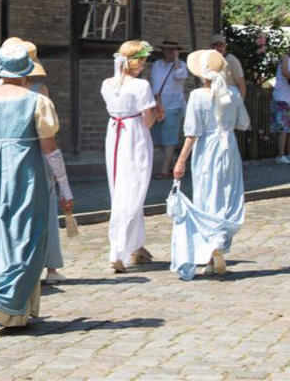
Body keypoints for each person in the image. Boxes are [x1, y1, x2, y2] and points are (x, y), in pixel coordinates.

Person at [0, 42, 68, 328]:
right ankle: (12, 306)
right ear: (26, 71)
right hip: (26, 173)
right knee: (26, 235)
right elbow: (50, 148)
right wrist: (65, 187)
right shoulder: (38, 102)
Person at [170, 49, 250, 279]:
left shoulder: (197, 96)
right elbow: (244, 123)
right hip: (229, 149)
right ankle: (219, 243)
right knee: (228, 195)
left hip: (207, 150)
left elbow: (192, 133)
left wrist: (181, 160)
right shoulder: (233, 93)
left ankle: (210, 249)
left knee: (207, 196)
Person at [12, 38, 74, 285]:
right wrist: (64, 182)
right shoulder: (39, 92)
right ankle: (50, 267)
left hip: (10, 158)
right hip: (37, 154)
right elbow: (48, 135)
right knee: (45, 211)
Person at [101, 40, 160, 273]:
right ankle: (118, 248)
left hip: (115, 135)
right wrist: (157, 111)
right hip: (134, 135)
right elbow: (147, 120)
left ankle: (135, 247)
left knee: (119, 188)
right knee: (134, 189)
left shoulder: (106, 84)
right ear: (137, 62)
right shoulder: (141, 86)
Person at [150, 40, 189, 179]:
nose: (170, 52)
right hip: (157, 106)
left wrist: (177, 59)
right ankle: (172, 163)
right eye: (167, 49)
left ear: (177, 51)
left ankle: (165, 170)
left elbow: (180, 75)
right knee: (159, 138)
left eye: (173, 50)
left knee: (169, 139)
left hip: (173, 106)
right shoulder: (156, 64)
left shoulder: (181, 65)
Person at [210, 34, 246, 100]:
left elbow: (241, 83)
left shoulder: (232, 61)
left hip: (230, 97)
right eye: (216, 45)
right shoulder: (208, 60)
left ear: (225, 46)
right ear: (211, 47)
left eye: (221, 45)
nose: (218, 48)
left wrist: (240, 102)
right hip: (213, 97)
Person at [271, 50, 290, 164]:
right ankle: (280, 156)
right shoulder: (285, 57)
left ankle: (288, 154)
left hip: (288, 97)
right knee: (283, 128)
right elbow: (285, 72)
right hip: (282, 97)